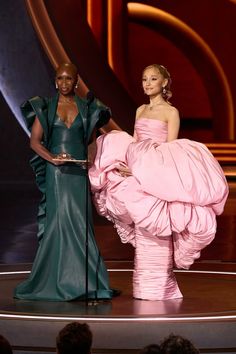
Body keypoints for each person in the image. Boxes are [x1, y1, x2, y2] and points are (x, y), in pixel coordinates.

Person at [89, 64, 229, 300]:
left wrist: (143, 171)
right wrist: (127, 166)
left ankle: (159, 289)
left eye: (153, 79)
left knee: (158, 227)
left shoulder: (170, 112)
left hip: (157, 173)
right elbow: (134, 144)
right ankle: (147, 288)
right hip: (137, 174)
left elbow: (169, 148)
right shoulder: (140, 110)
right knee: (145, 229)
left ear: (164, 83)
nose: (147, 83)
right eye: (144, 79)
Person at [14, 62, 114, 301]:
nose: (64, 83)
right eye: (60, 78)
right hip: (57, 175)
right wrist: (53, 159)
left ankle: (87, 282)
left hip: (78, 174)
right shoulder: (46, 107)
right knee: (59, 223)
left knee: (81, 225)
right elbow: (35, 142)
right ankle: (54, 281)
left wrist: (89, 156)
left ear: (76, 81)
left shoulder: (87, 108)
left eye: (69, 79)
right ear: (55, 81)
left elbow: (91, 139)